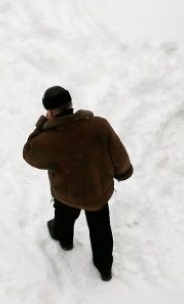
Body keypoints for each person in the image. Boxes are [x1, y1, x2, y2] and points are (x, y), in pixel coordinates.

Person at [23, 86, 133, 282]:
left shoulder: (48, 140)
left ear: (50, 112)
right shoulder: (99, 125)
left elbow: (29, 153)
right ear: (70, 105)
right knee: (101, 230)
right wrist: (123, 172)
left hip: (67, 194)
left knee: (64, 218)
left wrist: (42, 124)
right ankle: (104, 268)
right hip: (98, 193)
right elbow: (119, 155)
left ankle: (64, 240)